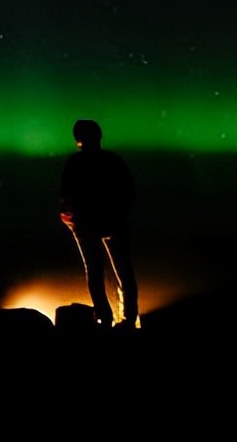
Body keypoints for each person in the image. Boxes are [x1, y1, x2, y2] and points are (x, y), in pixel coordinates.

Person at [59, 119, 139, 330]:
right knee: (124, 271)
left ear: (78, 139)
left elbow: (65, 197)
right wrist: (118, 213)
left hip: (86, 223)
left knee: (94, 270)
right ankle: (129, 318)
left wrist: (73, 221)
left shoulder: (75, 163)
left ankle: (105, 318)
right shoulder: (113, 160)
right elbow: (129, 190)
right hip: (113, 221)